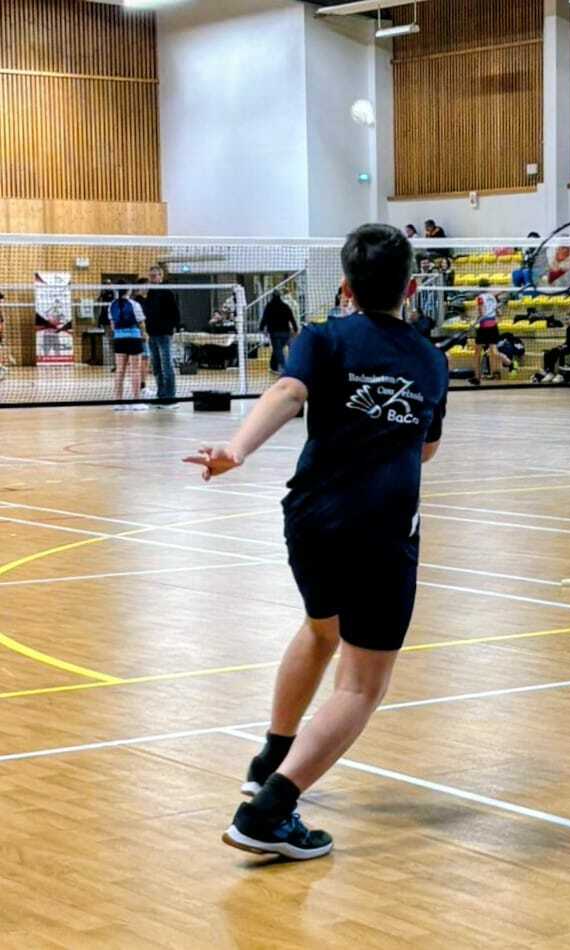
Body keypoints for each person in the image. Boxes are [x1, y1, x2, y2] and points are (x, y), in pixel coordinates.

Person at [184, 223, 449, 861]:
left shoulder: (321, 337)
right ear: (412, 288)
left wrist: (236, 449)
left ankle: (270, 758)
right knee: (360, 686)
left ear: (346, 289)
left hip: (310, 520)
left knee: (320, 630)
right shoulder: (430, 360)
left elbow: (287, 392)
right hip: (381, 530)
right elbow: (427, 447)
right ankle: (268, 811)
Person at [142, 264, 180, 404]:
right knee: (156, 366)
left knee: (167, 365)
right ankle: (161, 394)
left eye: (154, 276)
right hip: (152, 334)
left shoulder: (167, 292)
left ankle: (170, 397)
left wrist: (171, 329)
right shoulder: (149, 293)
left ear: (160, 276)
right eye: (150, 276)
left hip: (164, 334)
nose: (152, 278)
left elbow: (175, 314)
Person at [109, 286, 146, 407]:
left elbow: (112, 325)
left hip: (119, 339)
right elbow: (141, 323)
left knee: (120, 370)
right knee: (135, 370)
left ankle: (118, 402)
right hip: (134, 339)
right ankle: (136, 401)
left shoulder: (111, 305)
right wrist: (144, 334)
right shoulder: (135, 304)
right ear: (128, 291)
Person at [260, 290, 298, 374]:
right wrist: (295, 329)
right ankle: (273, 366)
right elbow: (291, 318)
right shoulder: (285, 306)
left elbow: (264, 318)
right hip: (285, 332)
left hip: (274, 332)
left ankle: (284, 368)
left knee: (278, 351)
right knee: (278, 350)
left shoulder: (269, 306)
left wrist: (261, 328)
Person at [541, 312, 570, 383]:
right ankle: (550, 372)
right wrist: (562, 345)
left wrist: (565, 347)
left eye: (567, 319)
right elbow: (568, 341)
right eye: (565, 320)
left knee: (561, 352)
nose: (566, 321)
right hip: (568, 347)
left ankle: (560, 375)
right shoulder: (568, 329)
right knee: (550, 351)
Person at [469, 292, 500, 386]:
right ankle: (509, 364)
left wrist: (474, 323)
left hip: (483, 328)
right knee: (494, 352)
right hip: (493, 326)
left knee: (477, 353)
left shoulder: (480, 298)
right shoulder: (492, 297)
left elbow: (482, 312)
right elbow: (499, 313)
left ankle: (477, 377)